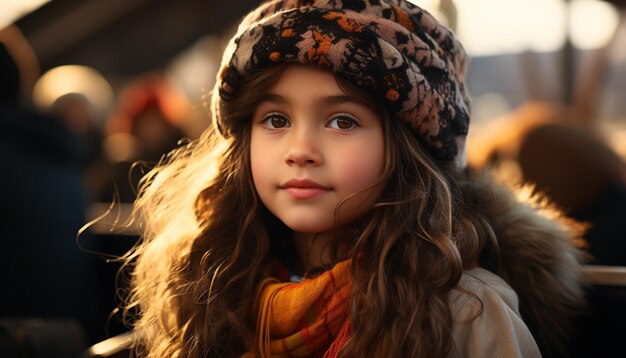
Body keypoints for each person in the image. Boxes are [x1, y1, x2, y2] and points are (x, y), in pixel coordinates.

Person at [121, 1, 586, 357]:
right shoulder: (212, 290)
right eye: (276, 120)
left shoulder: (465, 310)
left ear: (407, 151)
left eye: (342, 121)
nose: (300, 150)